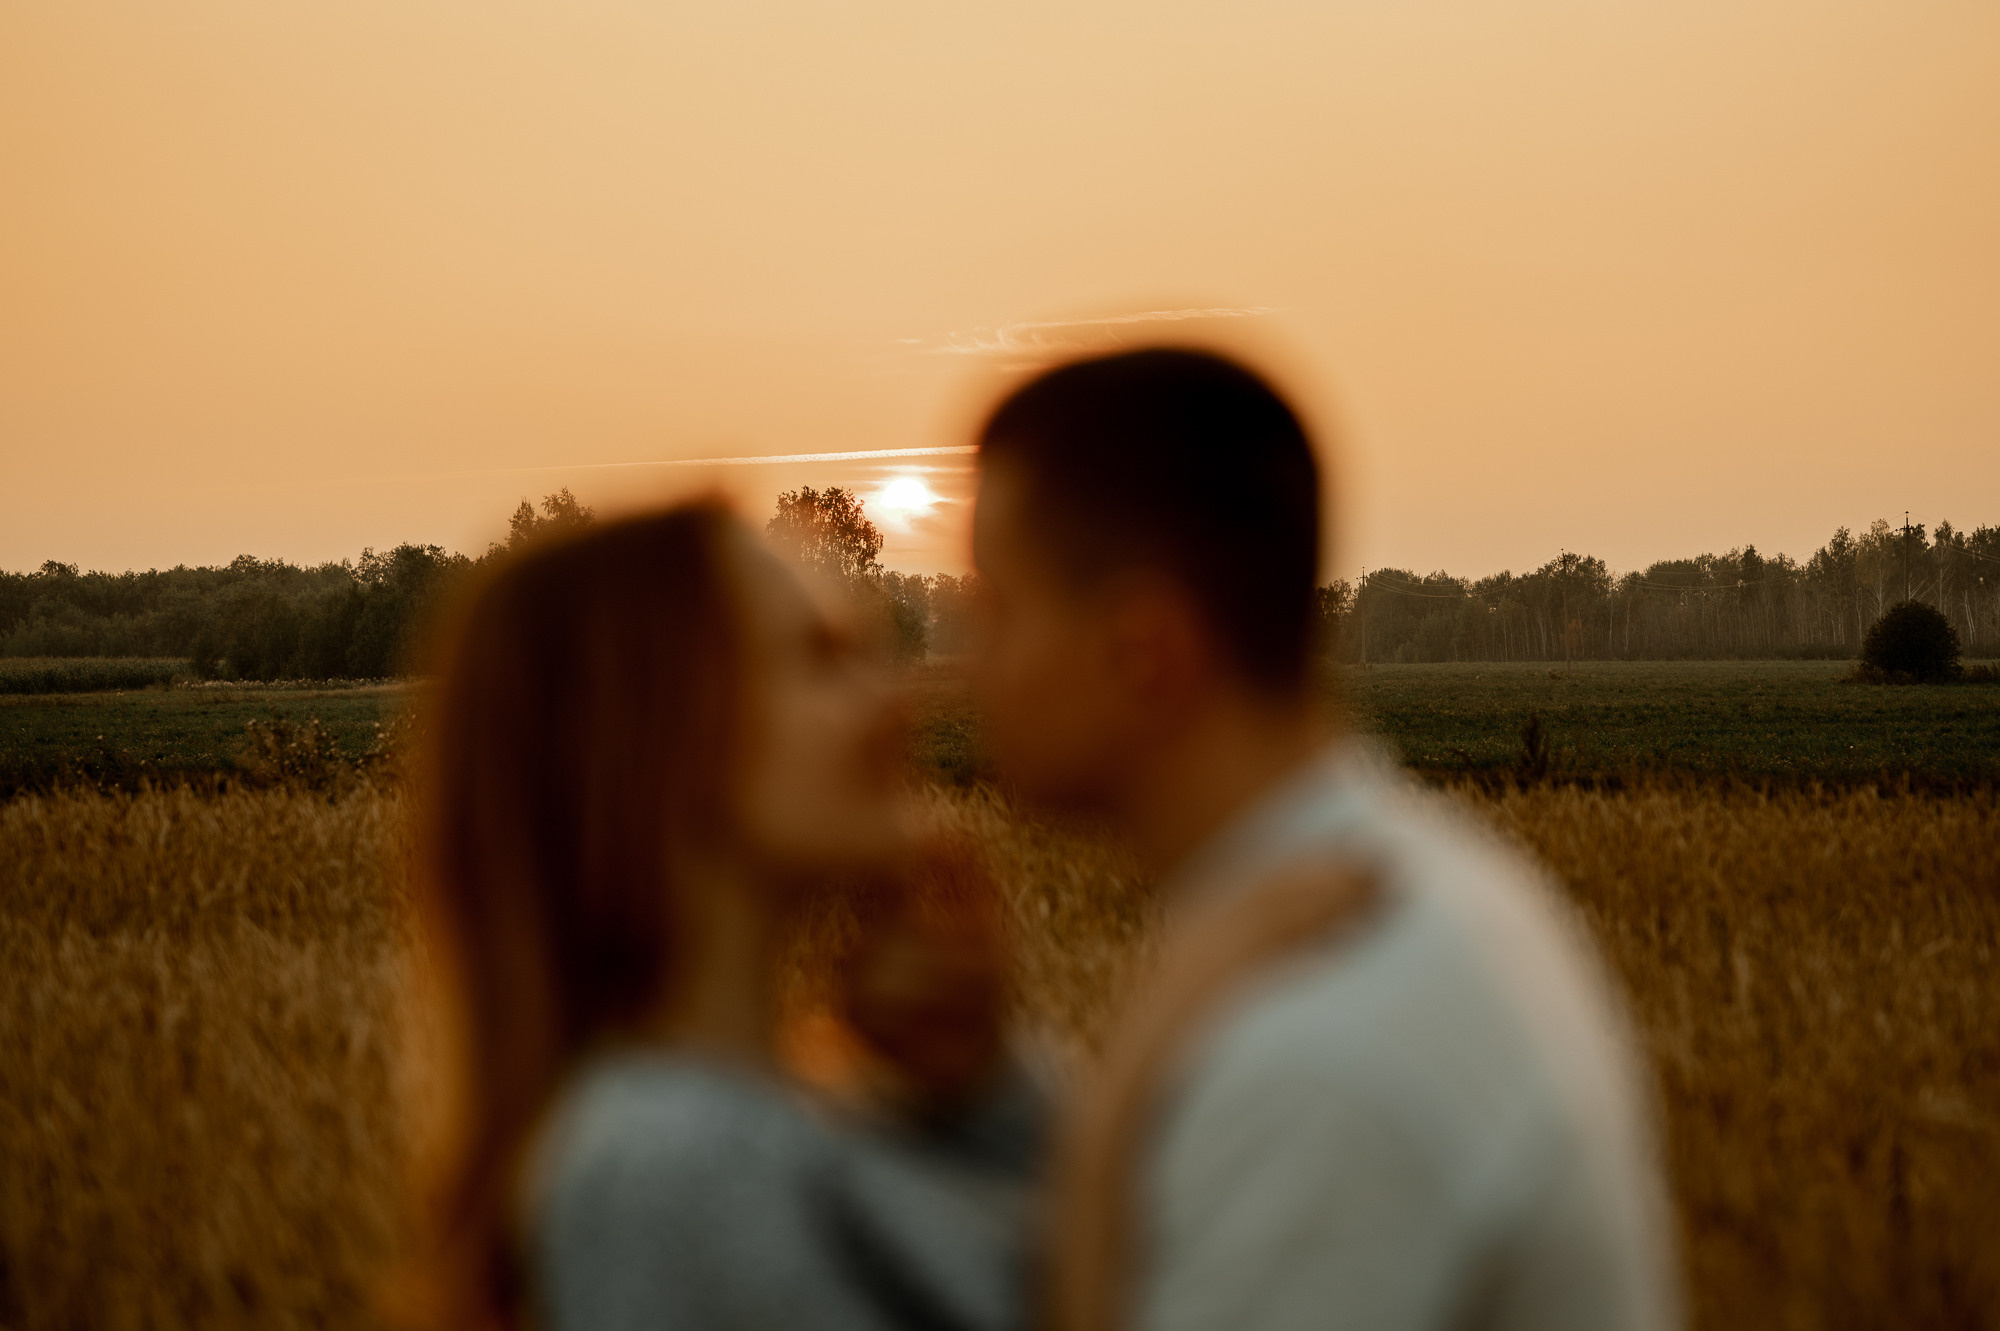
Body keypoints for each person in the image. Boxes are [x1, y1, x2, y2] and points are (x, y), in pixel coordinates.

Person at [968, 348, 1679, 1331]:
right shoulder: (1422, 881)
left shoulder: (1310, 1054)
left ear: (1142, 651)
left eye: (995, 610)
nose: (972, 663)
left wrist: (1105, 1129)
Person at [409, 502, 1035, 1331]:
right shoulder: (670, 1165)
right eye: (821, 659)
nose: (891, 702)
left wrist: (980, 1088)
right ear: (662, 739)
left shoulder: (768, 1116)